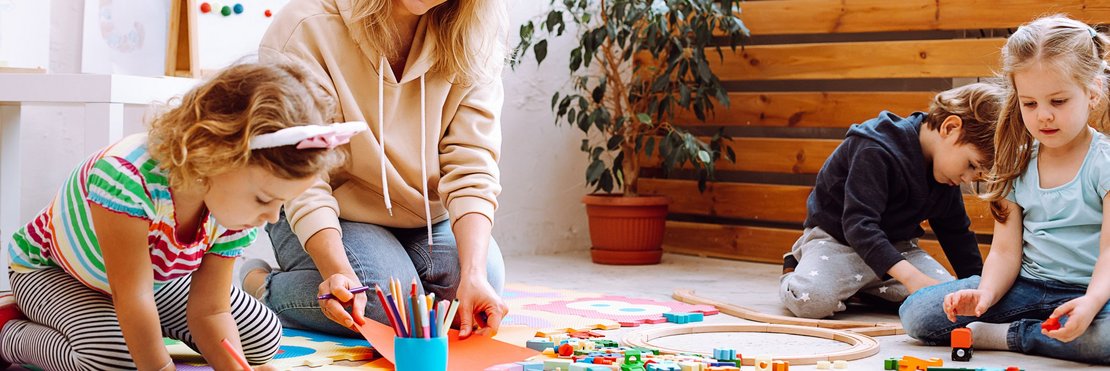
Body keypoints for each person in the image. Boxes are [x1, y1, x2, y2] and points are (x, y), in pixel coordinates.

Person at [0, 63, 356, 370]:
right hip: (55, 275)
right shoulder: (126, 178)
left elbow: (211, 311)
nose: (270, 216)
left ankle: (134, 330)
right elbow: (132, 298)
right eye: (265, 198)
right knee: (118, 359)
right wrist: (158, 365)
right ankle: (10, 333)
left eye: (280, 203)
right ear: (215, 154)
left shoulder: (234, 211)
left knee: (261, 336)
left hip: (154, 283)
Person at [240, 0, 510, 338]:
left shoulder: (475, 34)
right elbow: (303, 177)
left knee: (477, 287)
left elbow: (472, 163)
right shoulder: (306, 24)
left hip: (422, 216)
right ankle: (259, 287)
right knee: (381, 306)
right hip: (326, 208)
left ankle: (414, 273)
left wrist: (473, 274)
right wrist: (336, 270)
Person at [900, 15, 1110, 365]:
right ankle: (1025, 328)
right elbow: (1004, 253)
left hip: (1093, 292)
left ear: (1092, 92)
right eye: (1030, 103)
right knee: (916, 314)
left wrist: (1089, 303)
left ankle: (1008, 336)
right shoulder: (1018, 161)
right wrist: (984, 294)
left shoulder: (1103, 164)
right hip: (1026, 287)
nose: (1043, 116)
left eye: (1058, 102)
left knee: (1105, 339)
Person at [779, 82, 1004, 319]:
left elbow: (956, 234)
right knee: (812, 301)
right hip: (837, 243)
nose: (966, 179)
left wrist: (979, 289)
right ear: (950, 128)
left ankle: (863, 290)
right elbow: (858, 226)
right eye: (970, 165)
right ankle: (794, 269)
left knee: (946, 301)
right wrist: (913, 278)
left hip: (896, 251)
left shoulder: (946, 174)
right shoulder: (876, 147)